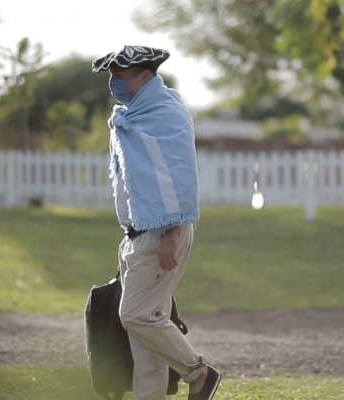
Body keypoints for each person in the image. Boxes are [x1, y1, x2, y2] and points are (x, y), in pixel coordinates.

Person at [92, 45, 221, 400]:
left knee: (134, 315)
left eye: (120, 76)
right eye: (112, 77)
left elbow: (179, 176)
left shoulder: (165, 112)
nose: (114, 84)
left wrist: (171, 235)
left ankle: (199, 372)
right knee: (146, 327)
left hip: (164, 232)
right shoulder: (134, 112)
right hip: (139, 233)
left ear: (144, 76)